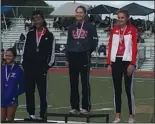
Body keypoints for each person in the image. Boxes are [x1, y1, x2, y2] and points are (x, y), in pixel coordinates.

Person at [22, 10, 55, 120]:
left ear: (43, 19)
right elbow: (24, 50)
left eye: (39, 18)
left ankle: (43, 114)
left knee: (42, 93)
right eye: (34, 18)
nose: (37, 20)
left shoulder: (49, 35)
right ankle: (31, 114)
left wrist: (47, 66)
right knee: (29, 92)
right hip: (29, 68)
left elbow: (52, 53)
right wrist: (24, 63)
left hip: (41, 69)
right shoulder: (30, 34)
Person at [66, 6, 98, 114]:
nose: (78, 14)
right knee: (73, 83)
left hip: (84, 56)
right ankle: (75, 107)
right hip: (72, 56)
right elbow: (68, 43)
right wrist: (67, 57)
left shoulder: (90, 27)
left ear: (84, 14)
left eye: (81, 12)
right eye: (77, 12)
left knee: (85, 83)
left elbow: (94, 42)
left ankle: (85, 107)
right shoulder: (71, 27)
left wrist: (87, 50)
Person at [107, 10, 137, 123]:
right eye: (118, 17)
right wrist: (109, 63)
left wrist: (132, 63)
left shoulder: (132, 30)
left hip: (127, 61)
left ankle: (131, 116)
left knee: (128, 89)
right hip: (116, 61)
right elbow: (110, 46)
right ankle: (117, 116)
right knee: (117, 90)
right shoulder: (114, 30)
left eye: (122, 17)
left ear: (127, 18)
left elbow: (134, 47)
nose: (120, 19)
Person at [1, 48, 24, 122]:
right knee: (1, 121)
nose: (7, 57)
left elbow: (23, 86)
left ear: (14, 57)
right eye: (6, 55)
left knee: (10, 121)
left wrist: (14, 94)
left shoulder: (18, 69)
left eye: (10, 56)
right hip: (1, 99)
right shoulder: (2, 68)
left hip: (12, 100)